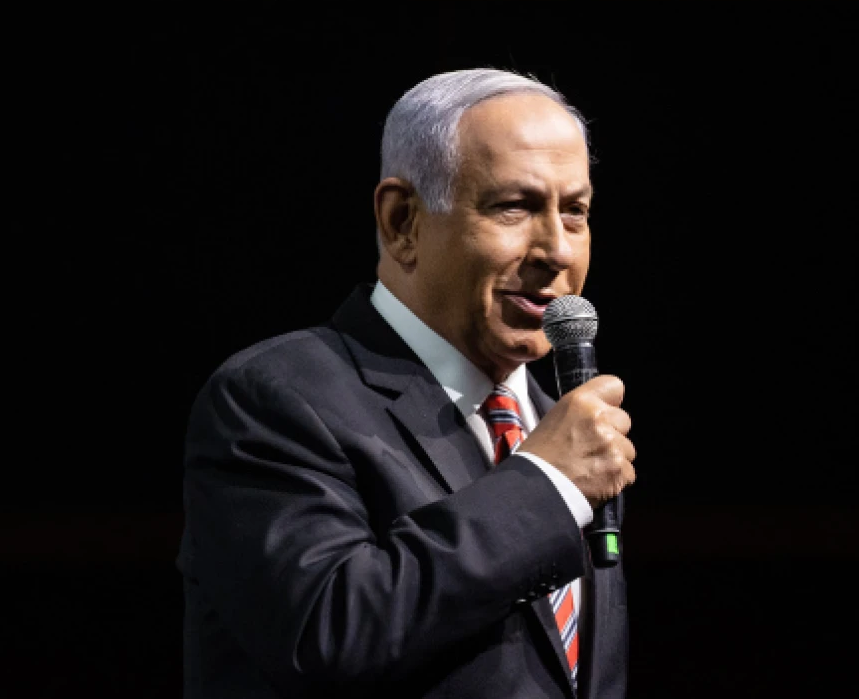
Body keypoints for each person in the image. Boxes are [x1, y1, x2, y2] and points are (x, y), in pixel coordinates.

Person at [178, 69, 635, 698]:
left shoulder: (559, 428)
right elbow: (328, 631)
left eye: (576, 212)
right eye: (514, 207)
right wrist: (547, 488)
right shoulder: (274, 399)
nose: (556, 248)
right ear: (402, 222)